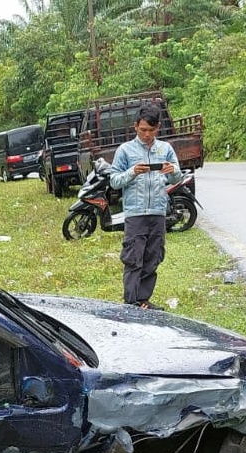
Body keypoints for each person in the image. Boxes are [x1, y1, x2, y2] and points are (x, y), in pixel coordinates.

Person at [110, 103, 182, 310]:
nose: (147, 134)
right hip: (135, 213)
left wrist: (172, 170)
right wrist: (133, 172)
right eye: (143, 130)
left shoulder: (165, 149)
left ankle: (143, 300)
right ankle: (130, 303)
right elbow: (114, 181)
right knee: (133, 258)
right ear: (135, 127)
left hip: (158, 212)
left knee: (153, 257)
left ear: (158, 127)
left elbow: (177, 177)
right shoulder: (125, 150)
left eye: (151, 130)